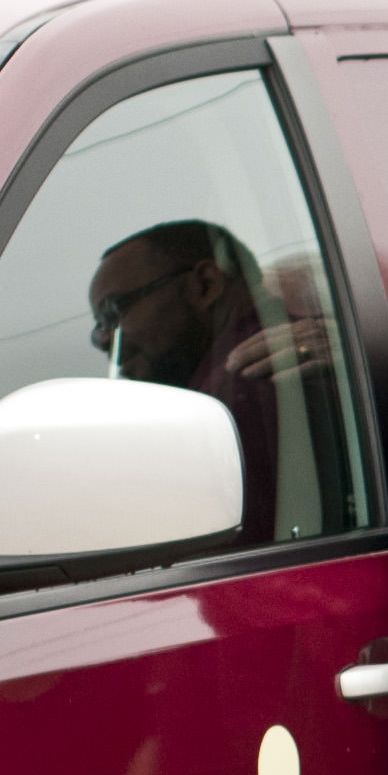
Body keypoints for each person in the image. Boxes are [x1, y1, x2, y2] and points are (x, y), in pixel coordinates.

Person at [88, 220, 280, 541]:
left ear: (205, 285)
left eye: (113, 312)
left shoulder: (248, 383)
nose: (103, 340)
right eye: (100, 324)